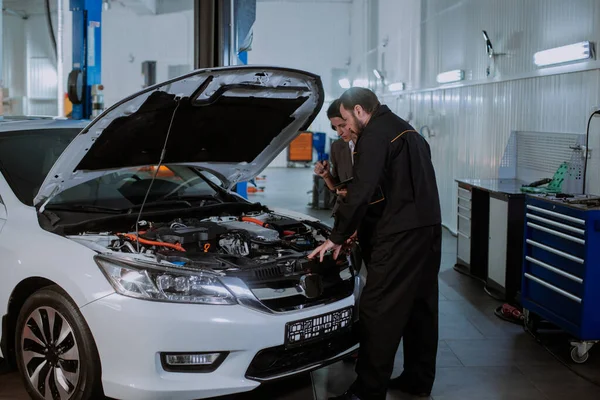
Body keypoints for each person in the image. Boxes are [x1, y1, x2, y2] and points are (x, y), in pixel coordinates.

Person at [309, 87, 442, 400]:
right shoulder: (406, 131)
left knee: (378, 310)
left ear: (358, 110)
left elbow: (363, 190)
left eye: (342, 123)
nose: (344, 132)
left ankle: (367, 391)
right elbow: (389, 186)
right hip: (428, 231)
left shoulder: (375, 136)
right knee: (420, 308)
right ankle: (417, 379)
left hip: (398, 237)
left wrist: (337, 236)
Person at [314, 99, 356, 212]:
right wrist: (326, 176)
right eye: (335, 127)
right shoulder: (337, 147)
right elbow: (336, 187)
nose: (339, 133)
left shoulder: (373, 146)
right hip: (346, 213)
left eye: (342, 126)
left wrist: (354, 194)